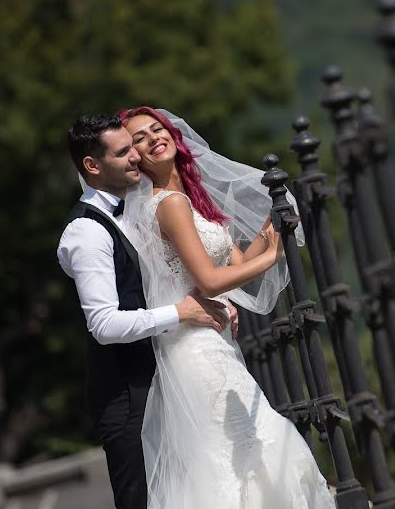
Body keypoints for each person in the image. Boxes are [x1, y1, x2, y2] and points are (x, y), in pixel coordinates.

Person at [119, 106, 335, 508]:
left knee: (236, 454)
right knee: (253, 447)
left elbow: (235, 265)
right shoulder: (168, 204)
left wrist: (273, 230)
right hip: (197, 350)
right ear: (135, 156)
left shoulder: (188, 199)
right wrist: (271, 258)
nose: (153, 139)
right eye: (140, 139)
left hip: (212, 342)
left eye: (156, 129)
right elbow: (211, 281)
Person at [57, 114, 238, 509]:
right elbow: (103, 324)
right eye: (123, 153)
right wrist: (183, 312)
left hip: (167, 381)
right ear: (92, 166)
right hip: (127, 397)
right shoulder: (86, 231)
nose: (136, 156)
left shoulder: (130, 210)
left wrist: (211, 302)